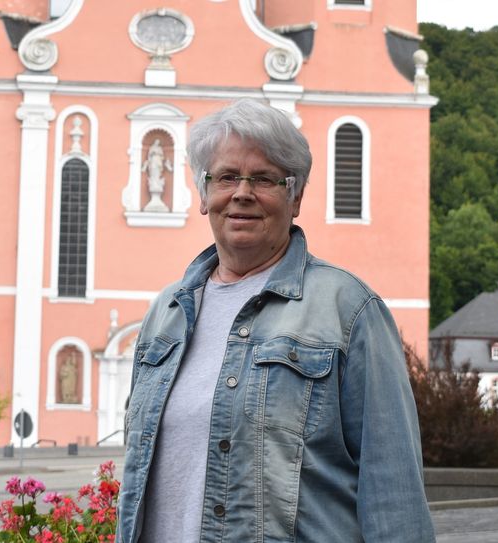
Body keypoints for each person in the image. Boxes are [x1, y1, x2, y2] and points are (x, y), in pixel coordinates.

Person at [116, 99, 434, 542]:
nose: (241, 192)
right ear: (205, 195)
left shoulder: (349, 309)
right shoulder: (166, 312)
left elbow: (393, 490)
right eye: (226, 177)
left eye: (263, 178)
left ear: (296, 196)